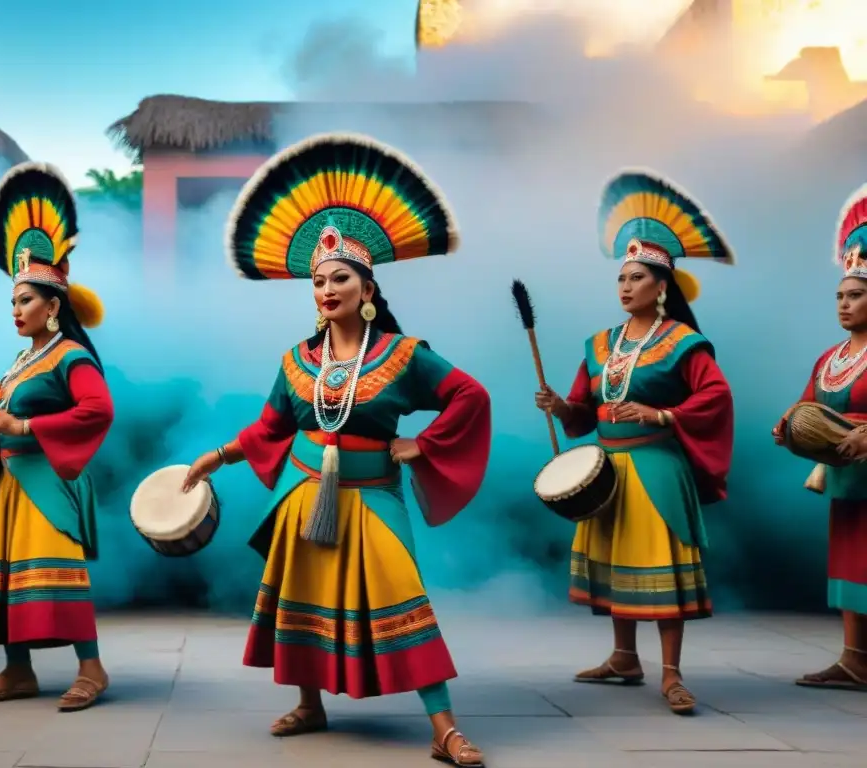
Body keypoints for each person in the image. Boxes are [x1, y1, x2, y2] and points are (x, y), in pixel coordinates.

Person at [182, 133, 492, 766]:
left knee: (404, 600)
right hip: (305, 496)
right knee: (302, 601)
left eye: (339, 277)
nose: (326, 288)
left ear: (366, 286)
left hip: (371, 495)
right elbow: (269, 427)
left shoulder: (405, 355)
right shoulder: (298, 361)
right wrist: (216, 458)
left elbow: (470, 395)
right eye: (317, 280)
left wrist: (422, 444)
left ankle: (444, 727)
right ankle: (310, 703)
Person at [534, 170, 735, 714]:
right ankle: (624, 657)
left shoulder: (684, 343)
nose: (625, 287)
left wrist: (662, 412)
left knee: (661, 570)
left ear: (661, 286)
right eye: (620, 279)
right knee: (618, 562)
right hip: (607, 468)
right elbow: (582, 410)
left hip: (655, 466)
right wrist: (562, 407)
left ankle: (671, 674)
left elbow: (715, 399)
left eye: (637, 278)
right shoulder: (600, 344)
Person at [0, 162, 114, 711]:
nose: (16, 310)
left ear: (54, 305)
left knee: (58, 578)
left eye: (25, 301)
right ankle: (18, 670)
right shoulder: (21, 362)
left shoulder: (71, 356)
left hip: (46, 481)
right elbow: (3, 428)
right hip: (8, 481)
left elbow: (98, 410)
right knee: (9, 579)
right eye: (12, 302)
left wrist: (25, 426)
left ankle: (92, 669)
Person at [774, 183, 867, 692]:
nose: (844, 304)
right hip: (846, 477)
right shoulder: (831, 358)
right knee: (852, 565)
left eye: (855, 295)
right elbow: (808, 400)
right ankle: (854, 659)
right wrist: (789, 424)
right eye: (840, 296)